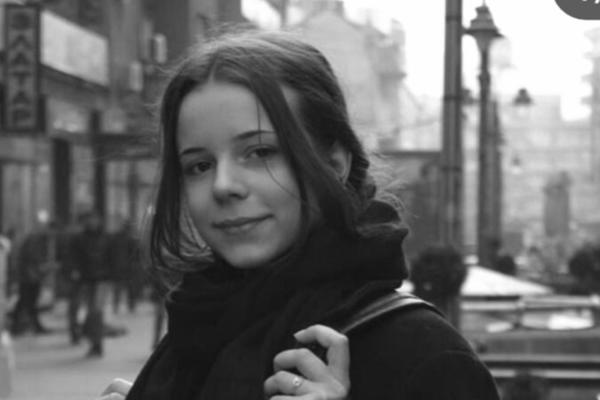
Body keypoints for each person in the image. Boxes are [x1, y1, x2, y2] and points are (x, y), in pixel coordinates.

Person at [99, 30, 499, 400]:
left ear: (334, 164)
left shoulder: (423, 355)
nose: (223, 185)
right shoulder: (194, 333)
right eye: (199, 165)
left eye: (260, 152)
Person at [68, 211, 112, 357]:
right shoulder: (80, 239)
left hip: (102, 279)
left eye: (95, 219)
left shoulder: (106, 238)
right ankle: (92, 340)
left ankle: (96, 343)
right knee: (89, 311)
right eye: (90, 220)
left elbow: (112, 256)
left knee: (96, 311)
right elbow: (74, 257)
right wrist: (75, 271)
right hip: (86, 279)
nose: (92, 222)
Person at [10, 221, 61, 335]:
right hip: (29, 276)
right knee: (27, 301)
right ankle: (21, 326)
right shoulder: (36, 239)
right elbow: (32, 258)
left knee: (27, 301)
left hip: (31, 275)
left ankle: (27, 325)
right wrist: (42, 267)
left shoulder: (40, 239)